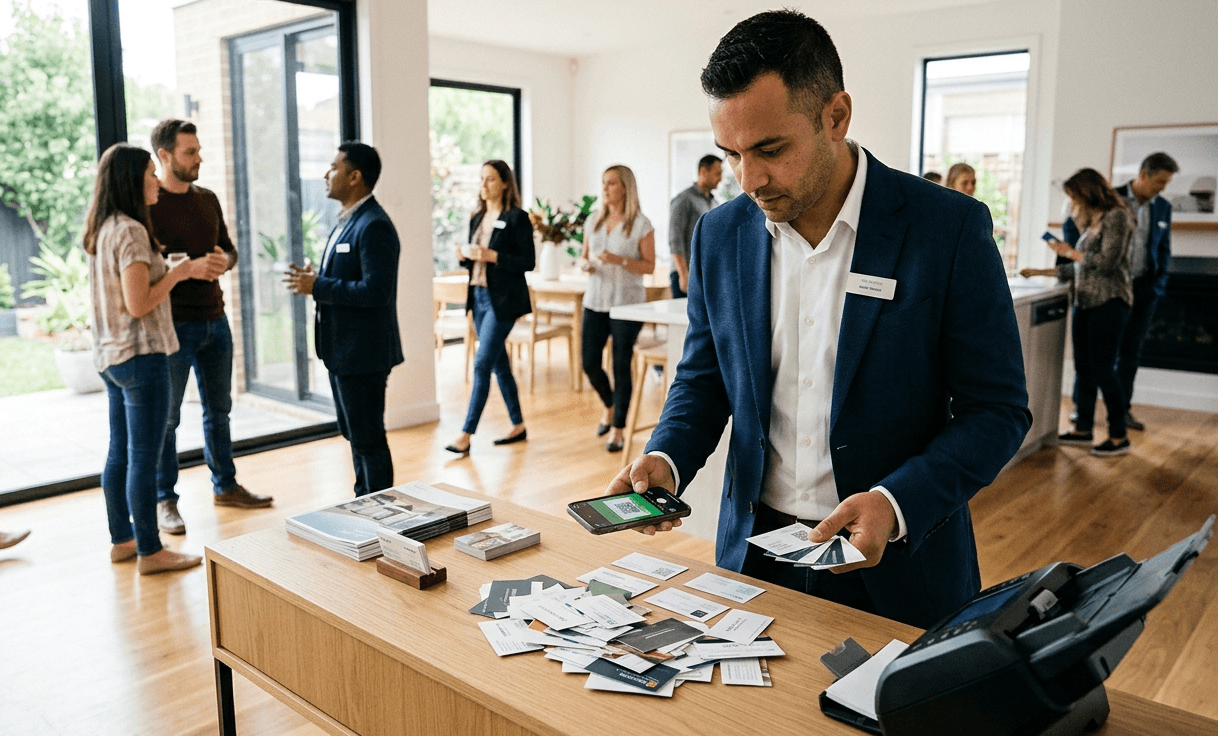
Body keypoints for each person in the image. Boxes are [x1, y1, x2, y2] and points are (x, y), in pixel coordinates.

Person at [606, 10, 1030, 629]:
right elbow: (704, 379)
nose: (749, 179)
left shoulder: (948, 229)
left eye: (770, 149)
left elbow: (997, 410)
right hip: (753, 557)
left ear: (836, 116)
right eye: (731, 155)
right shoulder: (718, 235)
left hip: (899, 566)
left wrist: (895, 502)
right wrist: (666, 457)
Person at [85, 144, 225, 574]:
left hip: (112, 357)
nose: (157, 183)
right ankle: (150, 549)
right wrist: (178, 273)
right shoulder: (130, 231)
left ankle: (123, 540)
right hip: (140, 356)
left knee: (120, 452)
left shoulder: (104, 228)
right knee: (143, 457)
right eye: (150, 173)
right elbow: (139, 303)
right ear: (132, 181)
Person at [149, 119, 272, 536]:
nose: (198, 158)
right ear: (165, 155)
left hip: (215, 322)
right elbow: (145, 269)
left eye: (198, 150)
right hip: (173, 326)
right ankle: (164, 499)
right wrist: (186, 268)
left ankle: (226, 486)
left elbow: (230, 250)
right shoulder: (150, 203)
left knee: (219, 411)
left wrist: (223, 262)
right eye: (190, 152)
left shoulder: (208, 199)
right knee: (167, 419)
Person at [284, 143, 403, 496]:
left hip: (363, 354)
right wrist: (318, 277)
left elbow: (377, 291)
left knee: (368, 440)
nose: (326, 174)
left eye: (333, 167)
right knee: (356, 436)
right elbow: (351, 276)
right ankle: (364, 502)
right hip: (343, 352)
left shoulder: (374, 225)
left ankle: (381, 512)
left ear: (355, 177)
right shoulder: (347, 221)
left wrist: (318, 285)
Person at [1023, 169, 1135, 457]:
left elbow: (1108, 262)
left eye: (1073, 197)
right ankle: (1083, 428)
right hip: (1085, 302)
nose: (1072, 203)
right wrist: (1039, 271)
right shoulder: (1092, 222)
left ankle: (1119, 434)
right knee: (1084, 368)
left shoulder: (1117, 217)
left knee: (1102, 369)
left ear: (1087, 193)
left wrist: (1070, 252)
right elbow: (1079, 267)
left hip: (1109, 302)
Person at [1062, 152, 1177, 432]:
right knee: (1095, 357)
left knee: (1130, 352)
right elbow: (1075, 228)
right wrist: (1075, 255)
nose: (1163, 188)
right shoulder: (1110, 199)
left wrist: (1158, 283)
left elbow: (1163, 247)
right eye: (1160, 181)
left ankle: (1121, 412)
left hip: (1143, 288)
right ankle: (1082, 411)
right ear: (1144, 175)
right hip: (1104, 287)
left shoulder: (1163, 207)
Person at [444, 160, 534, 455]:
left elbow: (527, 262)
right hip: (478, 297)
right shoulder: (477, 217)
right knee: (499, 364)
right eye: (482, 179)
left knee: (482, 364)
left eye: (491, 179)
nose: (484, 185)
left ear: (505, 183)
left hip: (503, 301)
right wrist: (464, 257)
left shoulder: (517, 218)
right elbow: (475, 260)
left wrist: (493, 256)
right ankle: (518, 425)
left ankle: (466, 434)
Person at [581, 165, 657, 452]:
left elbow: (649, 266)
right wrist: (586, 265)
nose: (605, 188)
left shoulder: (641, 224)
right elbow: (585, 256)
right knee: (589, 362)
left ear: (625, 188)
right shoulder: (593, 221)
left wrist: (620, 260)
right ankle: (611, 406)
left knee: (621, 366)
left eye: (611, 183)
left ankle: (618, 428)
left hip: (627, 305)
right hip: (594, 302)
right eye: (604, 183)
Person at [669, 155, 722, 298]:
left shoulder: (714, 203)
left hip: (707, 275)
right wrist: (683, 274)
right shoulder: (684, 200)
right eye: (717, 174)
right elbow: (675, 239)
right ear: (703, 171)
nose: (720, 178)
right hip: (686, 274)